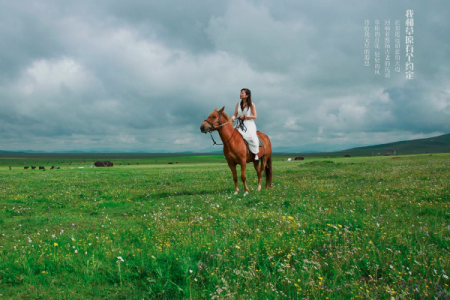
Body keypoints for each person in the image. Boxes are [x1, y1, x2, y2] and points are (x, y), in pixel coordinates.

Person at [231, 88, 260, 160]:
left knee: (252, 136)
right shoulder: (238, 104)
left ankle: (256, 153)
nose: (240, 94)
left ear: (247, 95)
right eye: (240, 93)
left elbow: (255, 116)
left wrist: (245, 117)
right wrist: (233, 117)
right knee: (232, 136)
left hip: (249, 123)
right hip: (240, 123)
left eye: (242, 93)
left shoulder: (251, 104)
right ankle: (231, 153)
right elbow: (235, 114)